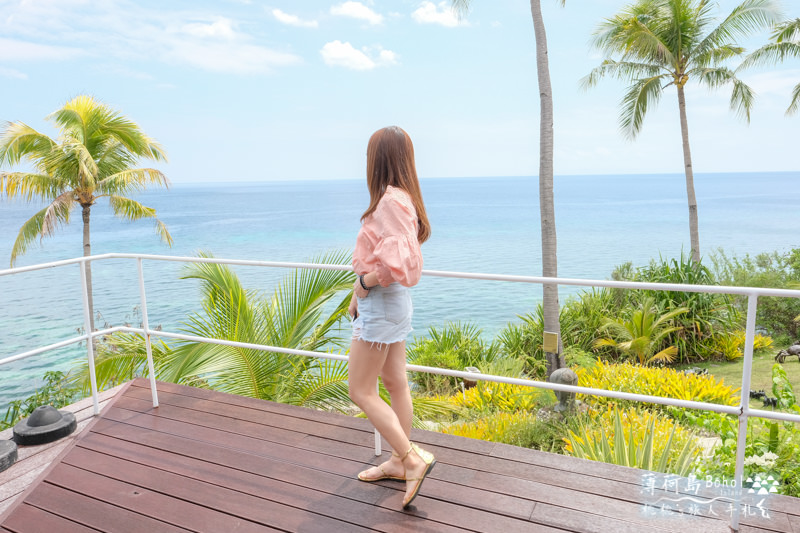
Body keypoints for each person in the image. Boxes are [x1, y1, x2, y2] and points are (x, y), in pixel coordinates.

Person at [347, 126, 435, 509]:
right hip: (391, 304)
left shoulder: (388, 202)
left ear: (377, 160)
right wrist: (358, 293)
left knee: (360, 390)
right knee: (395, 381)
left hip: (382, 302)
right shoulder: (403, 199)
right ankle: (400, 461)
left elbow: (394, 266)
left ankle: (411, 457)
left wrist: (364, 283)